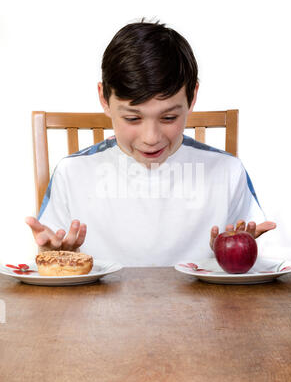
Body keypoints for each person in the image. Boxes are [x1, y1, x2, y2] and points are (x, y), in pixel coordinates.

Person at [25, 19, 276, 266]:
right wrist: (57, 254)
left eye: (169, 117)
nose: (151, 138)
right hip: (102, 307)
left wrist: (227, 256)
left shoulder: (227, 171)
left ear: (193, 96)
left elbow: (261, 263)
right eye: (133, 118)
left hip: (199, 306)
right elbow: (50, 254)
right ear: (104, 98)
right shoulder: (73, 172)